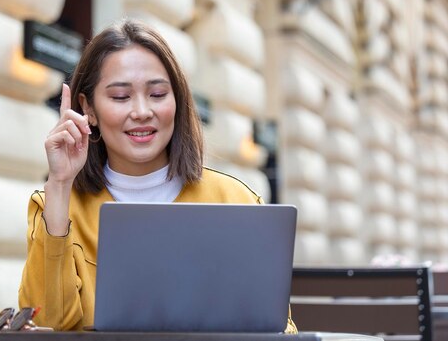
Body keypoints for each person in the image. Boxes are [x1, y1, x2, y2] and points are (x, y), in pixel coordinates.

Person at [18, 19, 297, 333]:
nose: (141, 111)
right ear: (88, 108)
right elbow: (46, 324)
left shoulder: (236, 201)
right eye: (121, 97)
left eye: (158, 94)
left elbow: (279, 330)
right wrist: (60, 184)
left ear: (177, 102)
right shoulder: (55, 207)